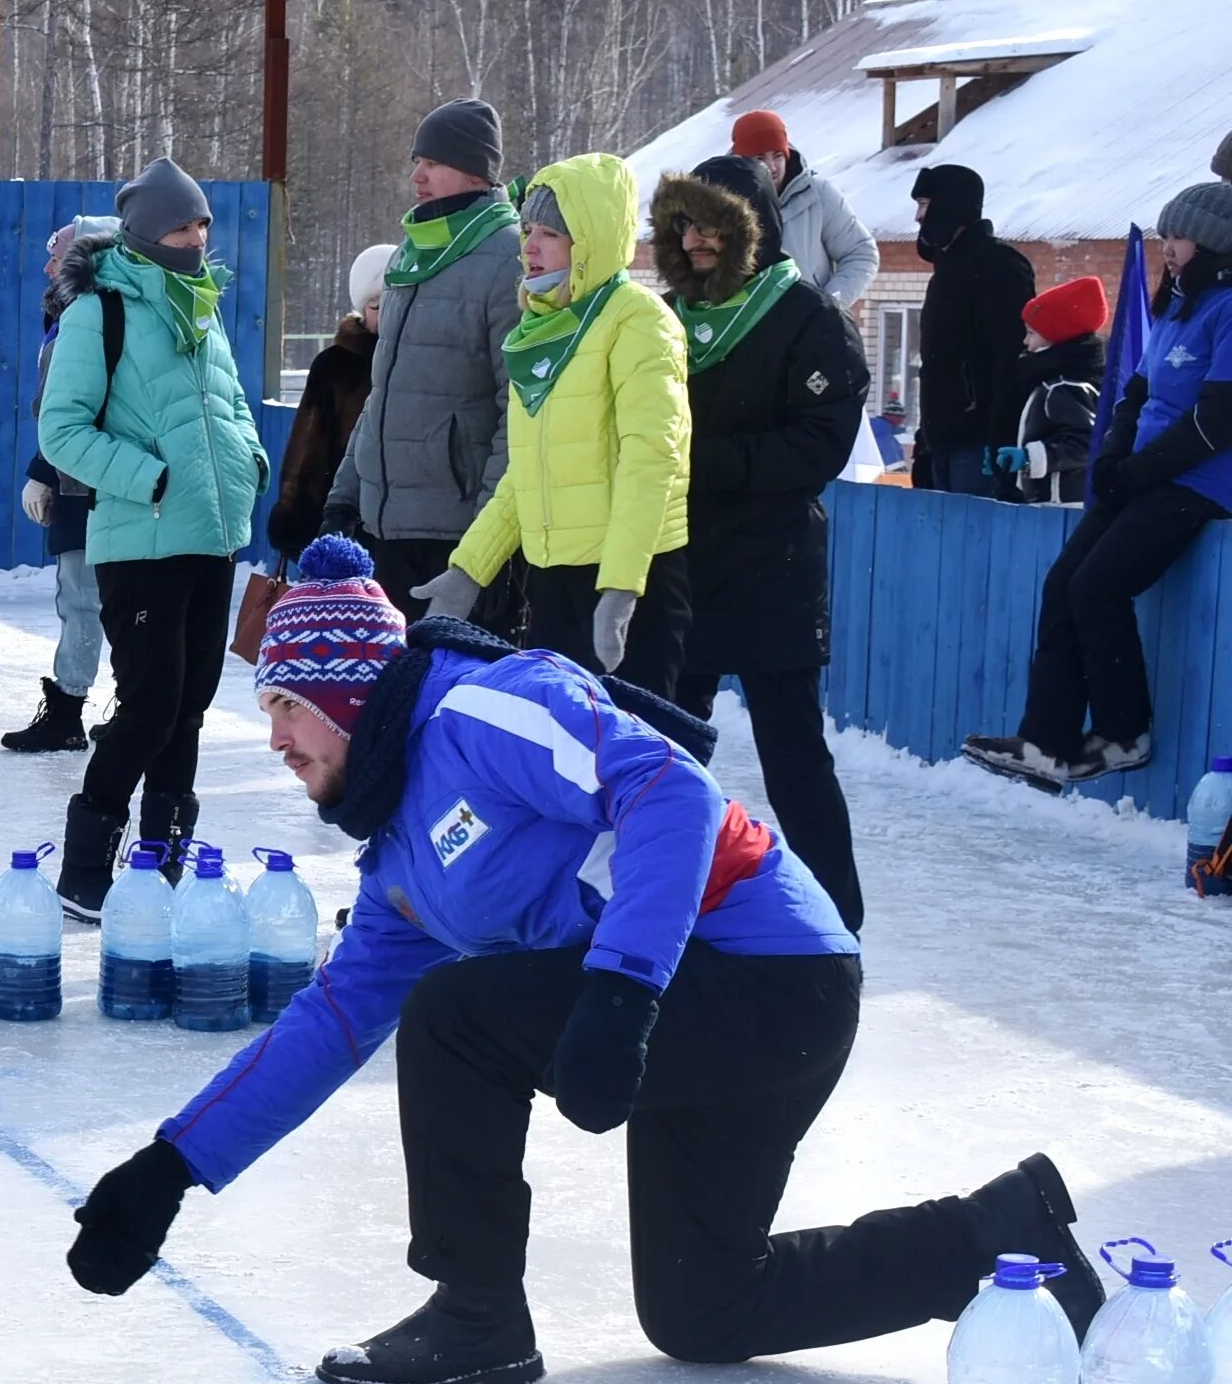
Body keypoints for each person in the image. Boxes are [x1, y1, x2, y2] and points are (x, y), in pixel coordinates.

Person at [64, 536, 1103, 1384]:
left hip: (770, 975)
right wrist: (174, 1167)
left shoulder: (481, 711)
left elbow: (673, 793)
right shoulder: (398, 864)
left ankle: (475, 1312)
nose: (276, 739)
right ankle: (996, 1238)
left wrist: (617, 993)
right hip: (701, 1007)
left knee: (453, 1012)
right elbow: (329, 1025)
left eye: (285, 704)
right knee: (705, 1309)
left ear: (346, 690)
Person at [38, 156, 268, 918]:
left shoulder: (200, 307)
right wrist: (149, 478)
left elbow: (230, 408)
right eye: (181, 222)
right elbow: (62, 429)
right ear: (142, 233)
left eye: (202, 221)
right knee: (149, 706)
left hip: (210, 535)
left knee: (191, 703)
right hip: (139, 541)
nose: (196, 235)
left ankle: (163, 865)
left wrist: (248, 465)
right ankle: (84, 871)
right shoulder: (97, 312)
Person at [650, 156, 869, 935]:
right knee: (665, 753)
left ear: (753, 229)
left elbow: (818, 446)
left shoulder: (808, 317)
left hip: (773, 564)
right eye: (683, 222)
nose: (695, 238)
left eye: (712, 223)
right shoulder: (668, 315)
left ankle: (835, 923)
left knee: (793, 758)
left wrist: (708, 462)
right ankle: (656, 909)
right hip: (682, 564)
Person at [965, 184, 1232, 789]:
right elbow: (1135, 392)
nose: (1167, 248)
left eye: (1178, 237)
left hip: (1196, 482)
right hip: (1144, 472)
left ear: (1214, 242)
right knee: (1063, 585)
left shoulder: (1228, 309)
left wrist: (1137, 471)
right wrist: (1110, 456)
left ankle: (1123, 733)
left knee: (1097, 589)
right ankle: (1045, 743)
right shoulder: (1178, 303)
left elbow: (1217, 420)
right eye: (1164, 236)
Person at [419, 154, 695, 695]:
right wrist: (469, 570)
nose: (529, 246)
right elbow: (527, 474)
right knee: (563, 761)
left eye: (550, 233)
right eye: (527, 230)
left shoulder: (637, 319)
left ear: (589, 241)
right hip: (554, 578)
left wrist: (620, 586)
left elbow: (653, 459)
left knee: (635, 763)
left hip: (632, 578)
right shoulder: (541, 328)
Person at [321, 99, 525, 638]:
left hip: (454, 536)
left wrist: (489, 544)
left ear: (477, 168)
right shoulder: (413, 254)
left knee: (447, 702)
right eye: (417, 160)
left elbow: (519, 411)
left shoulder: (508, 258)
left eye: (433, 162)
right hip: (383, 526)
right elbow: (385, 394)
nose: (417, 175)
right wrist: (344, 496)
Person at [4, 216, 120, 754]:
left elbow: (75, 411)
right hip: (83, 480)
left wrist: (43, 470)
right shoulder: (70, 318)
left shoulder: (90, 321)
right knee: (89, 598)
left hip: (92, 486)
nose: (48, 266)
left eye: (60, 256)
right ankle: (102, 708)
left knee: (86, 599)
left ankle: (72, 710)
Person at [907, 165, 1034, 497]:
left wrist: (1001, 437)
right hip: (941, 442)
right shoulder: (944, 272)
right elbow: (935, 365)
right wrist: (925, 439)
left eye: (924, 204)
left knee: (973, 542)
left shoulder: (1000, 266)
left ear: (950, 206)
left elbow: (1012, 359)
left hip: (979, 445)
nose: (918, 217)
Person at [263, 245, 384, 557]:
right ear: (361, 308)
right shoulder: (336, 364)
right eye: (377, 305)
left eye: (397, 302)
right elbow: (308, 447)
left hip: (404, 529)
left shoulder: (422, 361)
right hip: (343, 526)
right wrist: (295, 518)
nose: (388, 314)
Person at [728, 110, 876, 309]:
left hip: (808, 329)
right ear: (741, 159)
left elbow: (861, 252)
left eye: (778, 156)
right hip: (738, 327)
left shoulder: (818, 195)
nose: (771, 167)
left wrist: (829, 304)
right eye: (760, 157)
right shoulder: (720, 201)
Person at [993, 277, 1108, 506]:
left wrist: (1029, 458)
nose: (1026, 342)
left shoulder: (1064, 388)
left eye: (1031, 333)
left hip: (1064, 504)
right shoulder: (1051, 382)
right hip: (1052, 502)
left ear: (1056, 337)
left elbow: (1086, 443)